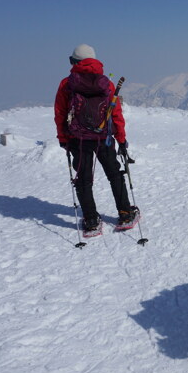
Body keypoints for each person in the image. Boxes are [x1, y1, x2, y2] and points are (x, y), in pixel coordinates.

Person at [55, 44, 138, 234]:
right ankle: (125, 213)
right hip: (104, 138)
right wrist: (121, 139)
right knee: (114, 174)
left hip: (78, 139)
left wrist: (63, 138)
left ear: (75, 62)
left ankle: (91, 220)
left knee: (83, 179)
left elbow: (60, 113)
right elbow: (116, 114)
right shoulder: (106, 83)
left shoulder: (67, 84)